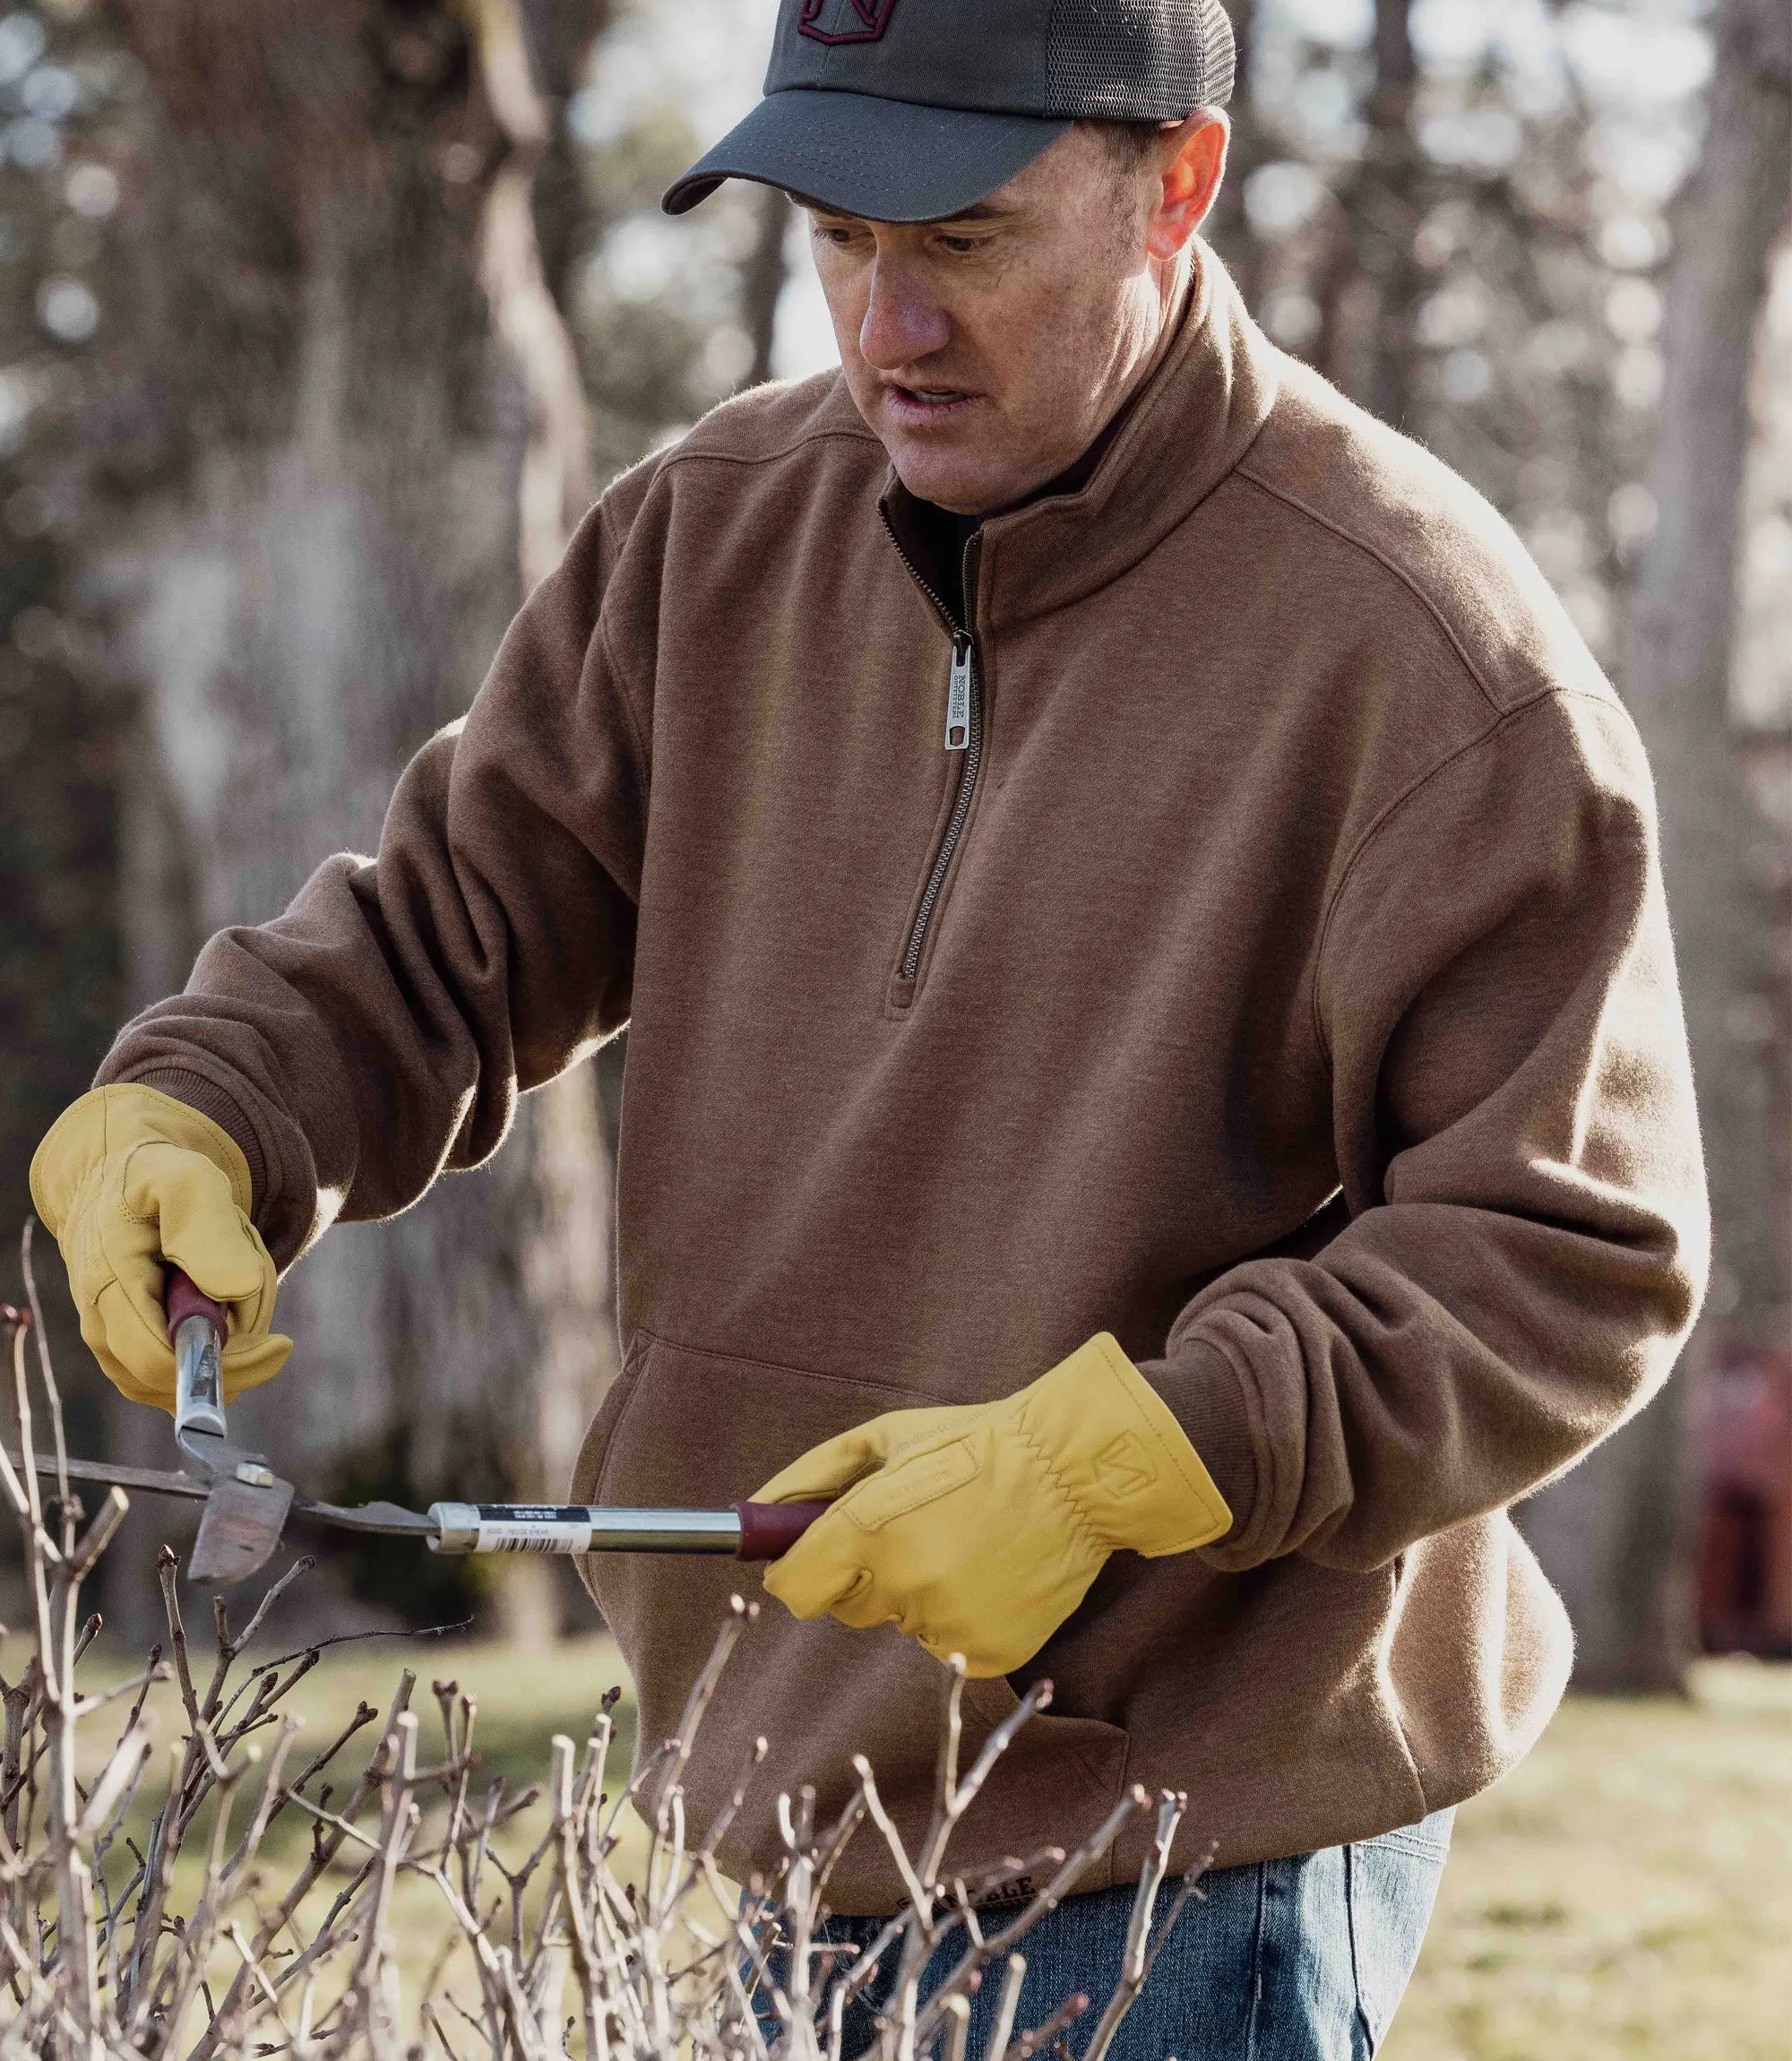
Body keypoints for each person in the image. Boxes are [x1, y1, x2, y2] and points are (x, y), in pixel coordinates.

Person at [30, 0, 1708, 2052]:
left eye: (965, 240)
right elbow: (455, 928)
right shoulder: (712, 529)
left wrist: (1138, 1458)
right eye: (835, 235)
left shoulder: (1423, 653)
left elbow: (1570, 1251)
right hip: (783, 1782)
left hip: (1185, 1836)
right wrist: (209, 1103)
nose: (884, 323)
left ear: (1173, 183)